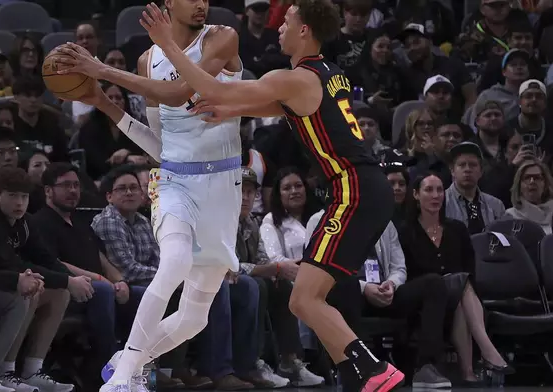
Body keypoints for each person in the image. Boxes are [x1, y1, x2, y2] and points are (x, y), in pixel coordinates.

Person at [135, 1, 404, 391]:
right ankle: (353, 377)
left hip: (353, 191)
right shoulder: (326, 74)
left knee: (304, 301)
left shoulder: (293, 77)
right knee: (314, 297)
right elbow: (267, 104)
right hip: (366, 188)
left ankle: (373, 369)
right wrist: (228, 108)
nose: (278, 27)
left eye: (287, 22)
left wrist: (168, 46)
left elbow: (210, 87)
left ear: (305, 31)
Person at [53, 1, 245, 391]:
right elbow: (162, 147)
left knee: (195, 318)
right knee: (172, 263)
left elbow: (179, 93)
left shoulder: (223, 38)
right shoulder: (147, 61)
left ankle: (127, 358)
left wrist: (103, 72)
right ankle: (122, 379)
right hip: (175, 183)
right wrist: (104, 103)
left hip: (223, 189)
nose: (201, 4)